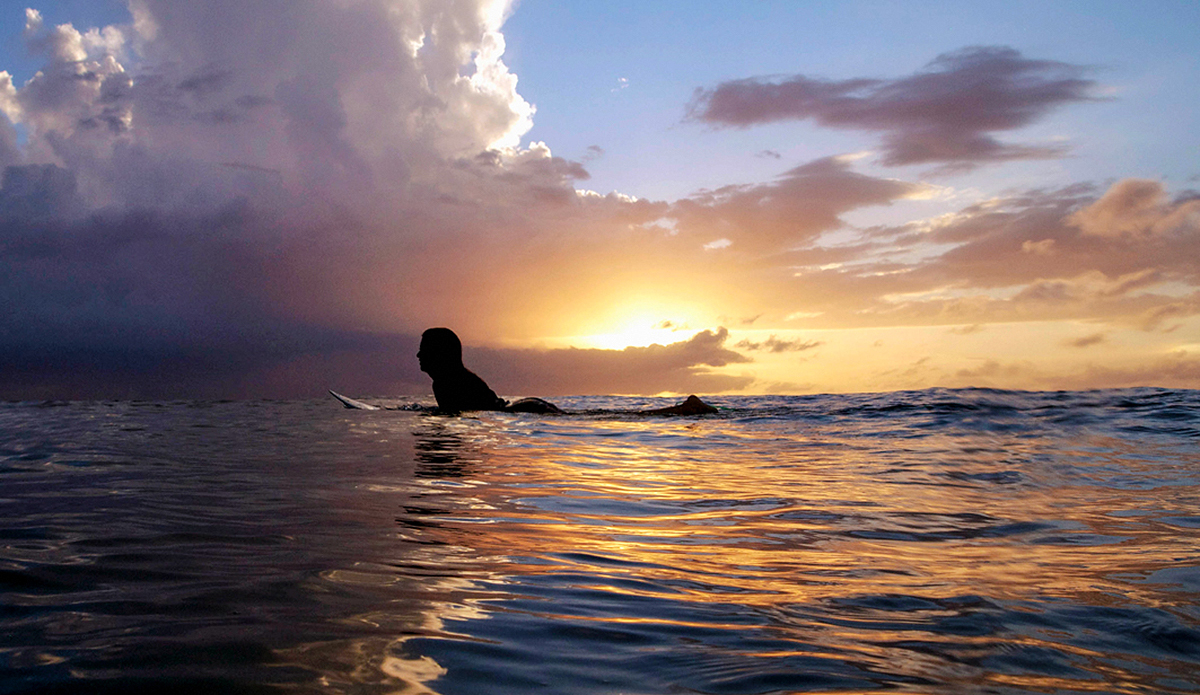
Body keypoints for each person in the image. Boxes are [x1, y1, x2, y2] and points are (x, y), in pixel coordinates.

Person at [417, 327, 717, 416]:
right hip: (525, 407)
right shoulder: (456, 378)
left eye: (424, 349)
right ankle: (683, 409)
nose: (418, 355)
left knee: (613, 418)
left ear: (440, 354)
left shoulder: (447, 383)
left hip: (525, 411)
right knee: (601, 417)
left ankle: (685, 410)